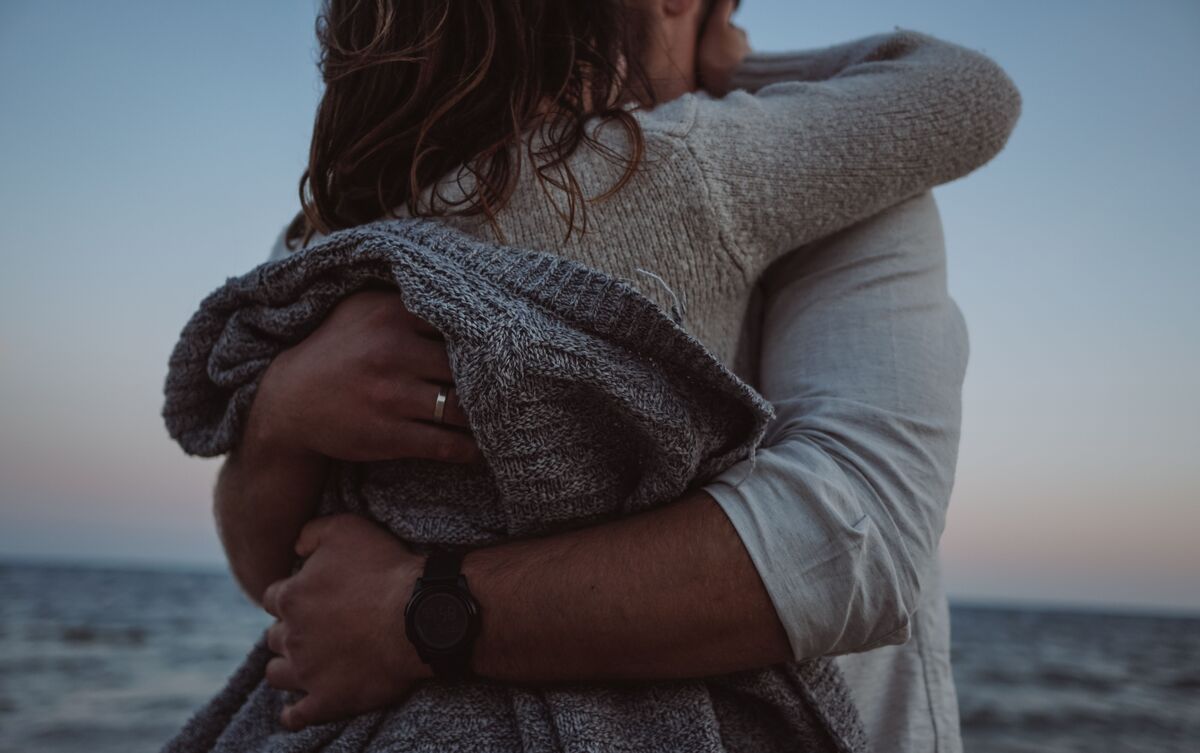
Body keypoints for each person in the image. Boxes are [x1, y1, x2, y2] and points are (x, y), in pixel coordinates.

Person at [212, 0, 1018, 750]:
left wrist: (406, 613)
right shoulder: (696, 169)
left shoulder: (343, 236)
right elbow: (970, 92)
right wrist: (283, 414)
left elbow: (855, 536)